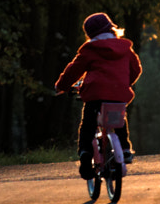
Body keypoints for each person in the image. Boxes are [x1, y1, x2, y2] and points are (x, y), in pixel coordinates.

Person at [55, 12, 142, 179]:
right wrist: (124, 82)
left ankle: (85, 157)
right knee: (118, 121)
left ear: (89, 34)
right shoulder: (125, 48)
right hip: (118, 93)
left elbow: (74, 70)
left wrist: (62, 86)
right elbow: (136, 69)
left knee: (88, 125)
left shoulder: (90, 49)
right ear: (111, 28)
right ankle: (124, 149)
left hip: (95, 94)